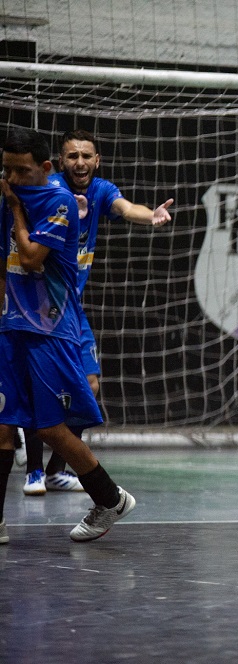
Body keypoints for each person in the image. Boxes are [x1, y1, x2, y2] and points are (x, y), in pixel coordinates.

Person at [0, 126, 135, 544]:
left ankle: (109, 498)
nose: (12, 178)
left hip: (51, 329)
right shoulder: (6, 196)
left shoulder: (61, 202)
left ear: (43, 168)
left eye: (21, 171)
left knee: (50, 429)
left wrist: (17, 209)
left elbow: (31, 257)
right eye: (7, 170)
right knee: (3, 425)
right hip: (12, 327)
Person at [20, 129, 173, 496]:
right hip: (36, 308)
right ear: (60, 161)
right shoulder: (50, 189)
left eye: (86, 156)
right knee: (39, 391)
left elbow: (125, 208)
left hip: (72, 310)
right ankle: (34, 471)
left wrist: (149, 214)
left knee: (87, 385)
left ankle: (58, 470)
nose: (80, 162)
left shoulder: (102, 191)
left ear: (97, 160)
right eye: (72, 156)